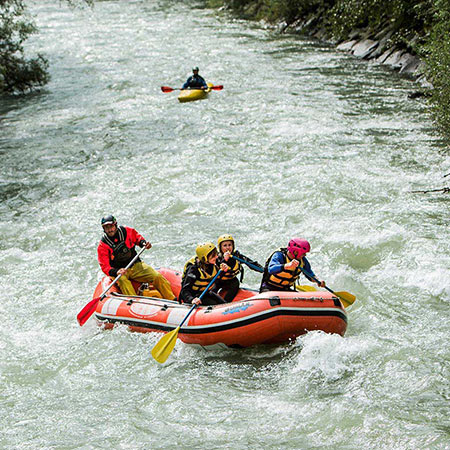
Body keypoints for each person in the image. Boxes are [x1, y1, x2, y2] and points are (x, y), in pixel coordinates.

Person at [97, 215, 176, 300]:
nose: (109, 230)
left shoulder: (126, 231)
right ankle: (135, 303)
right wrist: (116, 272)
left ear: (115, 225)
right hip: (119, 271)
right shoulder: (103, 245)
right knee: (123, 281)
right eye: (106, 228)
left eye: (111, 226)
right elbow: (104, 266)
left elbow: (137, 238)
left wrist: (143, 243)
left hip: (135, 265)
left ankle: (172, 299)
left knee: (156, 276)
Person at [259, 238, 325, 293]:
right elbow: (271, 269)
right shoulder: (279, 255)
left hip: (286, 290)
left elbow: (310, 274)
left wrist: (318, 281)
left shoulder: (303, 260)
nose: (305, 255)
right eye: (303, 253)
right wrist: (287, 266)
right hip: (269, 288)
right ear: (295, 252)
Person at [216, 234, 263, 302]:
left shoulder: (237, 256)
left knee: (235, 284)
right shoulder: (217, 258)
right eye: (225, 245)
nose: (227, 248)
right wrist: (225, 260)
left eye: (229, 245)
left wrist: (262, 269)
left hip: (231, 280)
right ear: (220, 247)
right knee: (212, 290)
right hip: (218, 281)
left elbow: (250, 262)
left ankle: (225, 303)